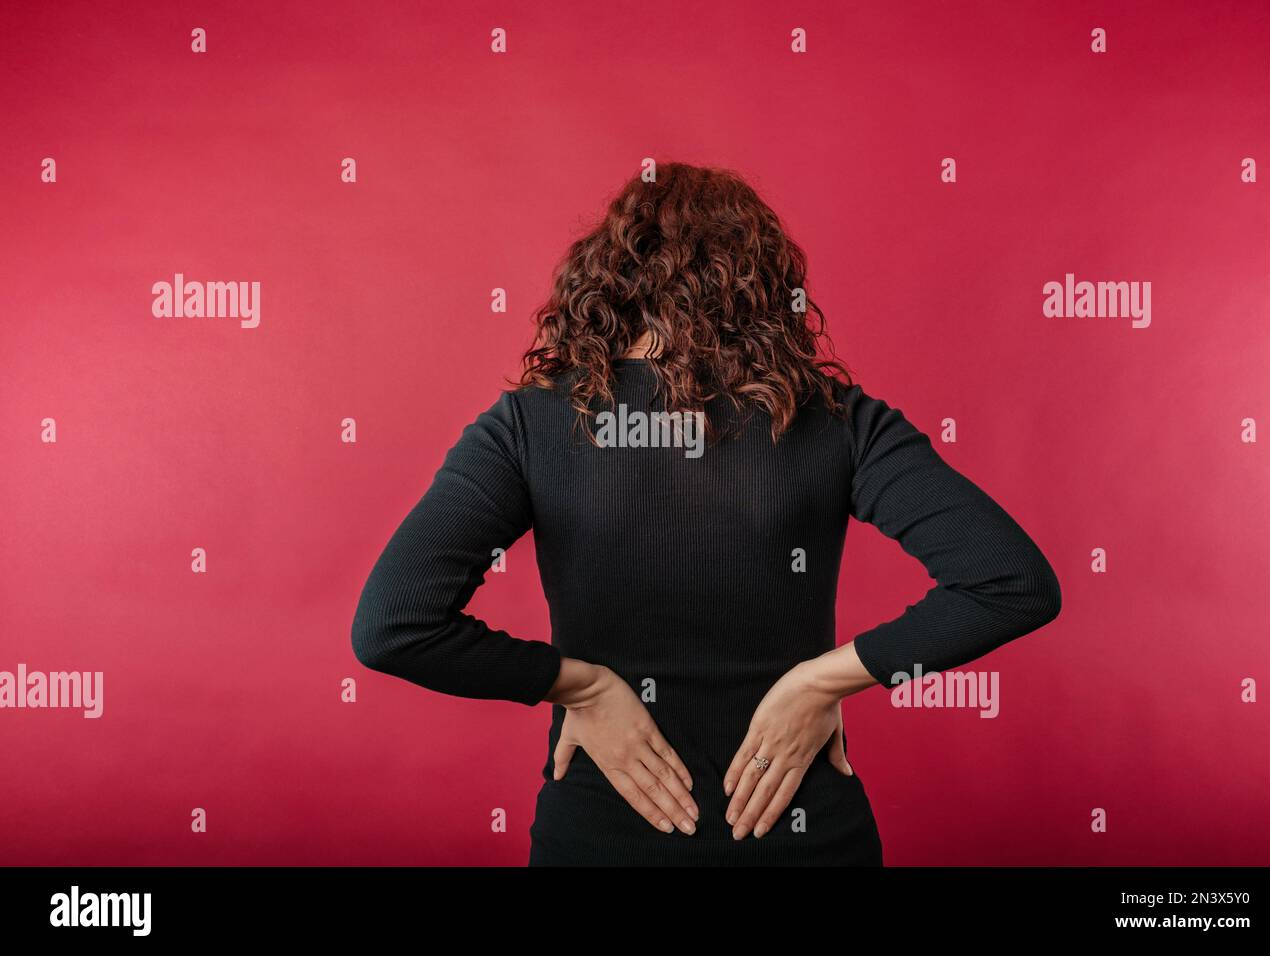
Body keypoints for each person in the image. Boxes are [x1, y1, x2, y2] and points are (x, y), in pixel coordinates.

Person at [350, 162, 1062, 866]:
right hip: (802, 833)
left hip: (601, 836)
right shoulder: (836, 422)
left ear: (605, 282)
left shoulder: (531, 426)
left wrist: (581, 687)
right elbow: (1010, 582)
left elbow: (394, 625)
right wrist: (825, 679)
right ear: (762, 285)